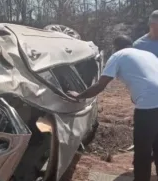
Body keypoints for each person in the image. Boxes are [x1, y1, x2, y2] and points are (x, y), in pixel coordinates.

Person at [68, 35, 158, 181]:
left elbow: (100, 85)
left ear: (116, 46)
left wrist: (79, 96)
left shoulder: (117, 56)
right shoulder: (148, 55)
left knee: (143, 151)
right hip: (153, 104)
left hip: (148, 109)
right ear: (131, 44)